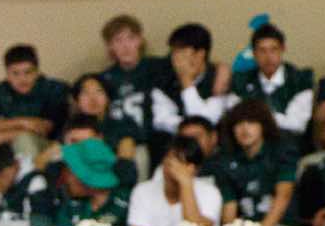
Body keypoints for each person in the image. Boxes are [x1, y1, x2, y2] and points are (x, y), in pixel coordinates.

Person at [30, 140, 131, 226]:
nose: (67, 178)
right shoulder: (71, 206)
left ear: (88, 179)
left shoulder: (126, 202)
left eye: (72, 172)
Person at [98, 13, 180, 158]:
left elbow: (199, 66)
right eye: (118, 40)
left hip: (156, 143)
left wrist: (221, 69)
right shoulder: (104, 79)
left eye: (131, 38)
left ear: (140, 40)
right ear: (110, 46)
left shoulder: (160, 67)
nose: (125, 46)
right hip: (117, 145)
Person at [214, 98, 298, 226]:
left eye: (251, 122)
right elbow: (229, 208)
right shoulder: (226, 162)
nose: (245, 128)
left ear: (263, 125)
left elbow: (283, 196)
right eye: (238, 123)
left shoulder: (282, 152)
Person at [127, 136, 222, 226]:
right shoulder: (142, 190)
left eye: (181, 162)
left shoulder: (211, 193)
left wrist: (186, 184)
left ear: (195, 168)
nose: (173, 168)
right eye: (171, 160)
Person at [0, 43, 73, 162]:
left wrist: (5, 135)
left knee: (24, 139)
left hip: (51, 146)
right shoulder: (0, 91)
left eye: (28, 72)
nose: (22, 79)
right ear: (7, 74)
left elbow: (44, 128)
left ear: (37, 72)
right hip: (11, 141)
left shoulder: (52, 89)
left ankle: (31, 174)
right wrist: (22, 122)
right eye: (15, 73)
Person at [231, 16, 316, 148]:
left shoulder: (300, 80)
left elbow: (296, 125)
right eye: (262, 51)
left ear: (283, 49)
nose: (268, 57)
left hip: (290, 148)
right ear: (254, 53)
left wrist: (257, 116)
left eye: (274, 49)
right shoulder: (240, 81)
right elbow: (235, 119)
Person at [151, 23, 234, 133]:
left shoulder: (219, 80)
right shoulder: (164, 80)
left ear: (200, 54)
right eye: (173, 52)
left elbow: (206, 124)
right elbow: (162, 120)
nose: (175, 58)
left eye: (180, 52)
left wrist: (186, 82)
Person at [71, 71, 146, 164]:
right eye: (85, 93)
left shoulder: (123, 126)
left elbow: (125, 161)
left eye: (99, 91)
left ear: (108, 98)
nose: (93, 98)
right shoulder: (70, 128)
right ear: (77, 101)